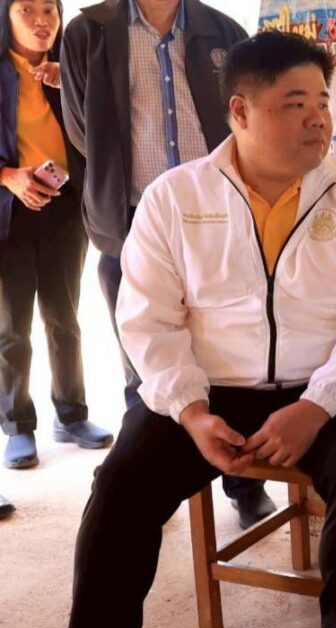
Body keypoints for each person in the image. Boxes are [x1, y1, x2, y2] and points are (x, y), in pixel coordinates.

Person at [57, 32, 336, 628]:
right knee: (119, 490)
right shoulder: (174, 198)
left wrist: (315, 406)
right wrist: (190, 412)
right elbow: (149, 319)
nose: (318, 119)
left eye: (323, 102)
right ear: (240, 112)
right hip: (206, 391)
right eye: (295, 103)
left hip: (325, 390)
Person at [60, 0, 273, 528]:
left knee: (234, 352)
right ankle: (148, 475)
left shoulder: (223, 30)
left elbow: (249, 122)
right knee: (144, 358)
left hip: (219, 217)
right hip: (130, 220)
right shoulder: (88, 32)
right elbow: (82, 132)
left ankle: (245, 480)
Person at [0, 0, 111, 470]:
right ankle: (17, 426)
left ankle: (71, 415)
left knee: (64, 318)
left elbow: (106, 132)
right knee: (12, 328)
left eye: (50, 9)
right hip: (9, 214)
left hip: (65, 210)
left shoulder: (73, 70)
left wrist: (73, 84)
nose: (41, 20)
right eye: (27, 9)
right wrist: (9, 176)